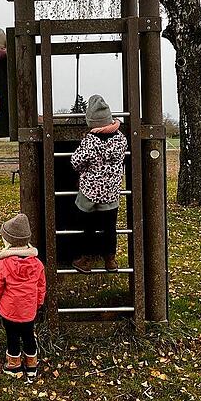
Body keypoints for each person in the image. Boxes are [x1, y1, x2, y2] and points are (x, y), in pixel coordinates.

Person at [70, 95, 128, 273]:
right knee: (109, 227)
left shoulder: (91, 141)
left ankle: (86, 260)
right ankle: (110, 260)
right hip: (111, 192)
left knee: (88, 227)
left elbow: (76, 161)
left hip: (90, 192)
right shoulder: (121, 139)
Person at [0, 213, 45, 378]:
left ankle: (14, 366)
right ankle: (32, 366)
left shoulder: (2, 265)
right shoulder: (37, 264)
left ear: (8, 242)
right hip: (28, 311)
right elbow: (41, 287)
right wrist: (38, 303)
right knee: (28, 336)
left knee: (12, 337)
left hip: (9, 312)